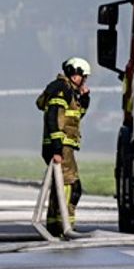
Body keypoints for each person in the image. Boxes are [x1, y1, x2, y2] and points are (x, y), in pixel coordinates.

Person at [36, 57, 91, 236]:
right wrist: (57, 148)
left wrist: (85, 98)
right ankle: (65, 226)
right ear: (75, 75)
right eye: (83, 76)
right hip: (61, 146)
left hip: (62, 146)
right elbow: (53, 118)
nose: (84, 80)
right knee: (71, 185)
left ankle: (54, 225)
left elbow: (74, 118)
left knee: (59, 185)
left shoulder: (68, 91)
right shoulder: (61, 90)